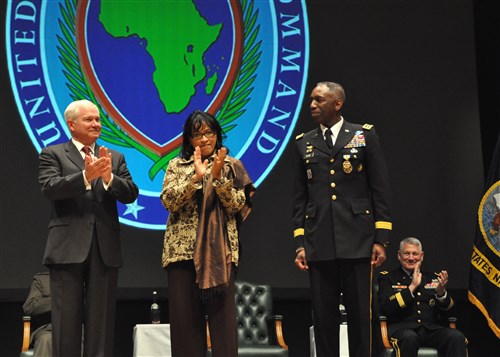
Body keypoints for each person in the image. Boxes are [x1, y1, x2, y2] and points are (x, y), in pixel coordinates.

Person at [292, 81, 392, 357]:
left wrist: (380, 239)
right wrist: (300, 243)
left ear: (337, 104)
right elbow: (300, 198)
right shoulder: (304, 142)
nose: (312, 104)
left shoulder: (363, 135)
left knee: (361, 316)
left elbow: (379, 190)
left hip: (358, 240)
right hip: (319, 240)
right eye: (311, 99)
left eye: (319, 100)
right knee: (323, 319)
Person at [38, 99, 139, 356]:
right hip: (67, 247)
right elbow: (51, 189)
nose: (96, 124)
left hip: (104, 248)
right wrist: (85, 177)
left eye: (98, 120)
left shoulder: (114, 157)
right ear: (72, 125)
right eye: (89, 120)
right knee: (66, 325)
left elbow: (130, 194)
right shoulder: (53, 154)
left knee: (101, 324)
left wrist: (108, 178)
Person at [160, 110, 255, 357]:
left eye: (209, 133)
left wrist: (217, 178)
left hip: (219, 253)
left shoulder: (231, 165)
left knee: (223, 326)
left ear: (217, 134)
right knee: (185, 327)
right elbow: (169, 202)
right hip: (182, 253)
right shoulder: (176, 165)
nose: (204, 139)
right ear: (189, 139)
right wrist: (195, 179)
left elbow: (236, 205)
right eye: (197, 134)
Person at [377, 237, 467, 357]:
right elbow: (387, 307)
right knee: (409, 337)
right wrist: (412, 286)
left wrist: (441, 293)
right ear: (399, 255)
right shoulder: (388, 278)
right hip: (402, 329)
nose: (411, 258)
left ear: (422, 256)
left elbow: (451, 311)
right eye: (406, 253)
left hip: (430, 329)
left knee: (456, 337)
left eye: (415, 254)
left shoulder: (433, 278)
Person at [23, 271, 52, 357]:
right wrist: (55, 299)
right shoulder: (42, 279)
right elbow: (29, 307)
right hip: (49, 329)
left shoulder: (84, 279)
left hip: (79, 330)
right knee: (46, 340)